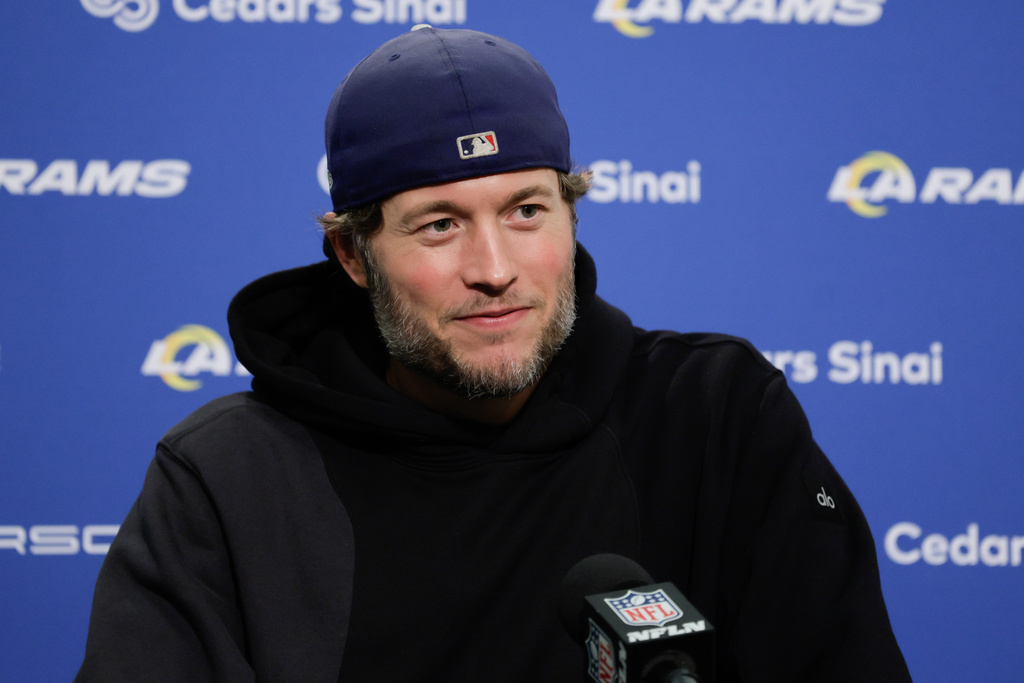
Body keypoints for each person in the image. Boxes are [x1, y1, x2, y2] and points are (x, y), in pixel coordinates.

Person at [76, 26, 912, 682]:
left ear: (571, 215)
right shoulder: (227, 476)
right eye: (439, 224)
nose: (495, 270)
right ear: (354, 257)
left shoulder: (718, 415)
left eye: (525, 210)